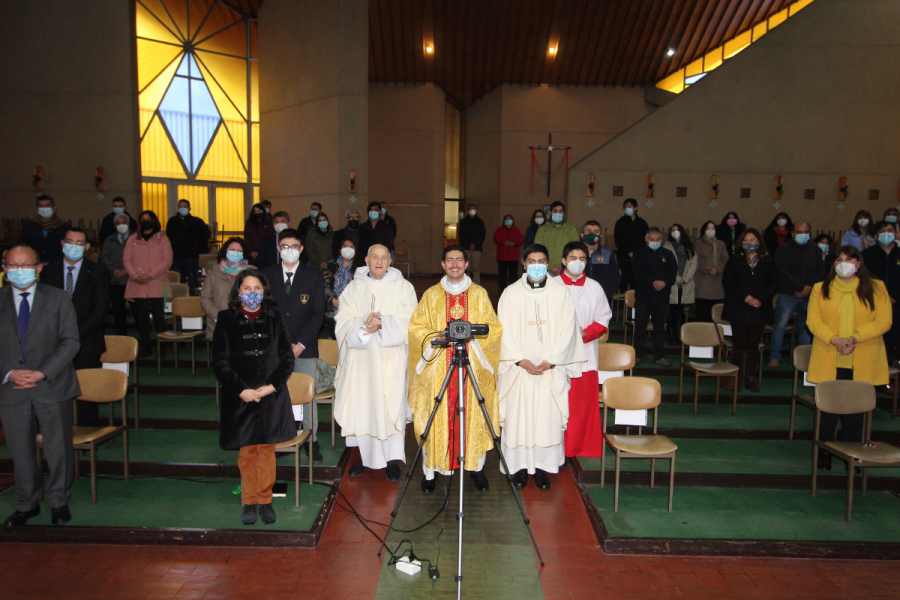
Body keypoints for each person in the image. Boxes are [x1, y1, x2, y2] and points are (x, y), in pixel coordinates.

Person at [408, 245, 502, 493]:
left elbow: (494, 328)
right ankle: (432, 472)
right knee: (436, 413)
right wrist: (436, 337)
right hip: (439, 367)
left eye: (459, 260)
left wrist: (472, 336)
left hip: (471, 365)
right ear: (442, 264)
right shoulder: (431, 295)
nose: (454, 264)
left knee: (473, 414)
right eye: (449, 260)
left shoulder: (480, 294)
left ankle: (476, 469)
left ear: (467, 264)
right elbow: (416, 328)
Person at [0, 244, 81, 527]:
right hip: (11, 388)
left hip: (52, 385)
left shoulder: (58, 298)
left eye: (25, 265)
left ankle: (58, 501)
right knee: (20, 451)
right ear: (4, 268)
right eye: (13, 265)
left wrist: (42, 373)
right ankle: (26, 504)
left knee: (57, 448)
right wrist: (9, 373)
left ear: (38, 268)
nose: (19, 270)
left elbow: (70, 341)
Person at [497, 243, 586, 490]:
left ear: (549, 263)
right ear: (524, 264)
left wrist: (551, 360)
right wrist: (519, 359)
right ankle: (520, 468)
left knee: (545, 420)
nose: (537, 266)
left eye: (542, 261)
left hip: (550, 370)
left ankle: (541, 469)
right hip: (519, 371)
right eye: (532, 262)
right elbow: (502, 330)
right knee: (519, 419)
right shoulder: (511, 293)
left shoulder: (561, 293)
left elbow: (569, 329)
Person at [212, 269, 296, 525]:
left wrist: (270, 386)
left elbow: (286, 358)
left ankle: (265, 500)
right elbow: (219, 361)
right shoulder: (226, 318)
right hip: (240, 397)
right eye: (246, 289)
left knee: (267, 450)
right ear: (238, 291)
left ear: (264, 291)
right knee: (247, 451)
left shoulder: (275, 317)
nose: (252, 294)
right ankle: (249, 501)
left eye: (257, 289)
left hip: (270, 395)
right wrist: (242, 390)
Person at [334, 244, 416, 481]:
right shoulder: (354, 287)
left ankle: (392, 460)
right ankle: (364, 457)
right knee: (365, 406)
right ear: (367, 261)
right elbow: (342, 320)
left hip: (392, 359)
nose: (379, 262)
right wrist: (364, 323)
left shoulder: (403, 287)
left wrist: (383, 324)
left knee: (391, 407)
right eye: (374, 258)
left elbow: (410, 320)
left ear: (390, 261)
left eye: (383, 258)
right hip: (361, 361)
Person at [806, 246, 891, 472]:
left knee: (856, 412)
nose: (844, 263)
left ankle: (853, 456)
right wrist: (835, 340)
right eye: (839, 260)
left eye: (849, 259)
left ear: (858, 263)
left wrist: (854, 338)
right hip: (829, 355)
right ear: (833, 264)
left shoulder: (876, 287)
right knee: (827, 411)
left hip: (862, 355)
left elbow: (884, 321)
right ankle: (824, 452)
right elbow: (813, 321)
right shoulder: (820, 288)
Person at [262, 229, 326, 463]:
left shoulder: (313, 276)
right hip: (274, 348)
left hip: (305, 347)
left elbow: (318, 315)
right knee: (275, 393)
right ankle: (279, 434)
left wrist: (299, 344)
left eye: (294, 246)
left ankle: (312, 440)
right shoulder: (265, 275)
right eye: (284, 246)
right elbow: (264, 313)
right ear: (278, 249)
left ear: (301, 249)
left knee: (307, 395)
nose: (289, 251)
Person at [42, 227, 110, 427]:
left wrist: (73, 336)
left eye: (79, 243)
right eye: (70, 242)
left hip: (86, 342)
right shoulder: (48, 272)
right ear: (63, 243)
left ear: (87, 247)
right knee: (52, 392)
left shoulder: (98, 272)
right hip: (52, 343)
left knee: (85, 396)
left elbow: (101, 310)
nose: (74, 247)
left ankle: (86, 440)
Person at [554, 241, 611, 461]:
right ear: (564, 260)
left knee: (581, 406)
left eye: (582, 259)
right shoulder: (553, 285)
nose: (578, 263)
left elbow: (604, 317)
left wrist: (585, 333)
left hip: (586, 354)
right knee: (558, 403)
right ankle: (555, 450)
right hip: (557, 355)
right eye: (573, 258)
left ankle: (578, 448)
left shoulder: (594, 287)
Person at [722, 229, 779, 392]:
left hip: (759, 309)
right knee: (739, 346)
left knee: (753, 347)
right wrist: (746, 297)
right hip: (739, 308)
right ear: (741, 243)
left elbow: (775, 283)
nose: (749, 243)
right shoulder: (735, 260)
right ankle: (736, 378)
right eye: (746, 240)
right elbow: (728, 282)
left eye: (753, 239)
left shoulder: (768, 260)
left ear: (759, 241)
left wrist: (760, 299)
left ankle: (751, 377)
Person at [768, 221, 821, 368]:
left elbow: (820, 271)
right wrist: (799, 287)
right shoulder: (783, 249)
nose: (803, 235)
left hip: (809, 294)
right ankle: (774, 357)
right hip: (788, 293)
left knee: (806, 327)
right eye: (799, 232)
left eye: (806, 232)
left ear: (810, 233)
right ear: (793, 234)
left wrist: (807, 288)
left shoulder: (815, 250)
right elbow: (781, 271)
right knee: (780, 326)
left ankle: (804, 359)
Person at [125, 211, 174, 358]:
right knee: (141, 318)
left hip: (157, 282)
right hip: (137, 284)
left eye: (148, 219)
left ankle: (163, 346)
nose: (145, 221)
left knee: (159, 317)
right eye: (143, 219)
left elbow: (167, 261)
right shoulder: (132, 239)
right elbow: (127, 260)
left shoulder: (163, 239)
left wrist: (149, 275)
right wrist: (136, 276)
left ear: (154, 221)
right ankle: (146, 346)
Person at [632, 227, 677, 366]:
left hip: (662, 298)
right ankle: (638, 355)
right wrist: (652, 282)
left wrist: (664, 283)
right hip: (643, 297)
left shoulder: (668, 254)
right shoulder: (639, 254)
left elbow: (672, 273)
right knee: (640, 328)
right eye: (652, 239)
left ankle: (660, 356)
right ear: (646, 239)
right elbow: (637, 273)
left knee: (660, 328)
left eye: (658, 240)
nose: (655, 242)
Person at [861, 222, 900, 366]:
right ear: (876, 236)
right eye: (883, 231)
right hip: (873, 302)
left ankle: (886, 375)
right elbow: (864, 278)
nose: (887, 233)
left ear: (896, 234)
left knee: (891, 340)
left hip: (896, 305)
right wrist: (882, 297)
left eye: (890, 230)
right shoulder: (867, 254)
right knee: (872, 340)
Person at [201, 237, 249, 344]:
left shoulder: (249, 273)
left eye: (239, 251)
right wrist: (219, 316)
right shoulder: (213, 272)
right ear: (225, 251)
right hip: (218, 324)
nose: (235, 253)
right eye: (232, 249)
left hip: (243, 324)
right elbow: (205, 298)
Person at [165, 199, 210, 295]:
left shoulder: (196, 222)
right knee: (179, 281)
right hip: (177, 256)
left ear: (189, 209)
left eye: (185, 207)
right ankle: (180, 301)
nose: (182, 209)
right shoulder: (172, 222)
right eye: (180, 206)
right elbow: (169, 236)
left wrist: (197, 246)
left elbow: (205, 235)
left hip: (191, 256)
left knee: (192, 279)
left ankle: (193, 301)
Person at [100, 213, 133, 336]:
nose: (121, 225)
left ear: (128, 224)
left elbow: (140, 257)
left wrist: (126, 270)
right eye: (118, 223)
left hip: (132, 280)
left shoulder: (137, 239)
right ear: (115, 225)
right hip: (115, 279)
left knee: (137, 310)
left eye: (123, 222)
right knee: (118, 308)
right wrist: (114, 270)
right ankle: (121, 332)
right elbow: (104, 257)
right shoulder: (109, 240)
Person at [663, 224, 697, 345]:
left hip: (685, 283)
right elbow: (665, 265)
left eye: (677, 230)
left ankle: (680, 335)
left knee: (681, 310)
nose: (675, 232)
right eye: (673, 230)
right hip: (673, 282)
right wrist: (676, 278)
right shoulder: (667, 246)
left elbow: (694, 263)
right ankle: (671, 335)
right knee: (672, 309)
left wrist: (685, 278)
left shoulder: (689, 247)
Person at [19, 195, 71, 264]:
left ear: (54, 208)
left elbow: (67, 249)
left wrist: (49, 263)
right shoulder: (29, 226)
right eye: (41, 206)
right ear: (37, 208)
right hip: (33, 264)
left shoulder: (64, 226)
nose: (44, 208)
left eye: (47, 206)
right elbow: (23, 246)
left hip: (57, 265)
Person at [694, 220, 728, 323]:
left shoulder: (721, 244)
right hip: (702, 279)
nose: (711, 230)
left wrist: (717, 269)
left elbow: (725, 258)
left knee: (714, 312)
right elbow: (697, 259)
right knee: (702, 311)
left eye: (713, 228)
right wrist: (708, 269)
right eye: (708, 228)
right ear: (704, 230)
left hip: (716, 281)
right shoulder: (698, 243)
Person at [534, 201, 580, 277]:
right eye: (555, 211)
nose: (558, 213)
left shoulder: (571, 230)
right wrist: (551, 266)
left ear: (564, 213)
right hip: (547, 271)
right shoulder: (542, 230)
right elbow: (538, 251)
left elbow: (575, 251)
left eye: (560, 211)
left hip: (567, 271)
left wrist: (564, 266)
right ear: (551, 213)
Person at [612, 198, 648, 292]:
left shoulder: (642, 223)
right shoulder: (620, 223)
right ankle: (621, 305)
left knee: (636, 282)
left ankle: (634, 305)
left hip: (639, 257)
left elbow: (645, 240)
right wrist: (628, 252)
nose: (627, 208)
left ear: (635, 208)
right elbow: (618, 240)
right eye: (625, 207)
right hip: (624, 257)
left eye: (629, 206)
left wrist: (637, 253)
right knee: (623, 281)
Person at [581, 221, 620, 304]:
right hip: (579, 299)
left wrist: (603, 294)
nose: (592, 234)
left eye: (596, 232)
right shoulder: (574, 254)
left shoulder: (608, 254)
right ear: (582, 235)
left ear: (600, 236)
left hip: (602, 300)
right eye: (589, 231)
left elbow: (615, 279)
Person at [324, 239, 356, 336]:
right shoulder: (331, 265)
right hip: (333, 309)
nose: (348, 249)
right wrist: (334, 300)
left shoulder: (360, 268)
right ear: (340, 249)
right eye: (345, 246)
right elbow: (324, 285)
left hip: (353, 311)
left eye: (351, 247)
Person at [493, 214, 524, 293]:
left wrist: (514, 243)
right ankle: (502, 288)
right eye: (506, 219)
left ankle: (513, 289)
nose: (508, 220)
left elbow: (521, 239)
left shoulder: (517, 230)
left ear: (513, 221)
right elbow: (496, 238)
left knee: (513, 274)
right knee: (502, 274)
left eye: (510, 219)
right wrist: (505, 242)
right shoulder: (499, 229)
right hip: (502, 256)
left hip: (513, 256)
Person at [458, 204, 487, 284]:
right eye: (470, 209)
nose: (472, 210)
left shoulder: (480, 222)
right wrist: (468, 244)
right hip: (466, 248)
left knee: (476, 268)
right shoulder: (463, 222)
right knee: (466, 267)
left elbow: (482, 235)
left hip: (477, 249)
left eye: (473, 209)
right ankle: (465, 283)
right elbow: (461, 235)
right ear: (468, 211)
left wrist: (475, 244)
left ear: (476, 211)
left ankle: (476, 284)